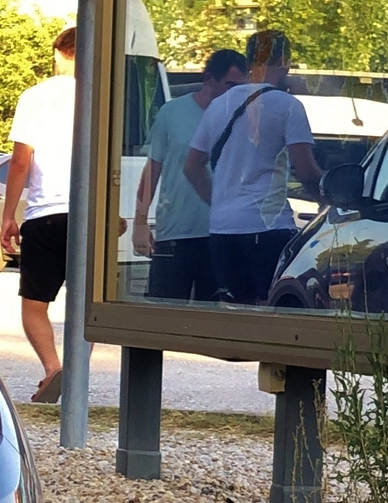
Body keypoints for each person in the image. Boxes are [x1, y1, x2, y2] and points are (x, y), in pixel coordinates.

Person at [185, 28, 320, 305]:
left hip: (222, 230)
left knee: (238, 314)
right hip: (268, 227)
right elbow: (305, 171)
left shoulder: (218, 105)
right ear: (284, 60)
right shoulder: (288, 106)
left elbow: (192, 166)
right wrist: (327, 201)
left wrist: (219, 202)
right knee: (269, 310)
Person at [1, 26, 80, 403]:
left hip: (46, 212)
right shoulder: (107, 94)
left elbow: (20, 160)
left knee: (34, 304)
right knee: (88, 305)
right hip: (88, 215)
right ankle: (78, 373)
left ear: (60, 53)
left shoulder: (34, 97)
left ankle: (54, 367)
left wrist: (8, 215)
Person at [133, 47, 245, 302]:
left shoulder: (243, 117)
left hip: (221, 233)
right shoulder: (172, 113)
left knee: (212, 320)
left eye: (241, 86)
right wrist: (140, 223)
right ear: (209, 80)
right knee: (161, 315)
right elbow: (152, 170)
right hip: (176, 231)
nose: (236, 93)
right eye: (230, 85)